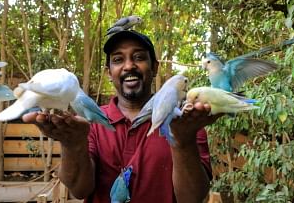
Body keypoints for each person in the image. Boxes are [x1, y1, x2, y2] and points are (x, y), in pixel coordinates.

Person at [23, 30, 221, 203]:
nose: (129, 66)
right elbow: (79, 190)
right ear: (109, 73)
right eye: (118, 59)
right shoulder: (90, 121)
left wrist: (183, 141)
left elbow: (193, 198)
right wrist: (73, 144)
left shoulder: (183, 121)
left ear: (155, 67)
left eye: (139, 57)